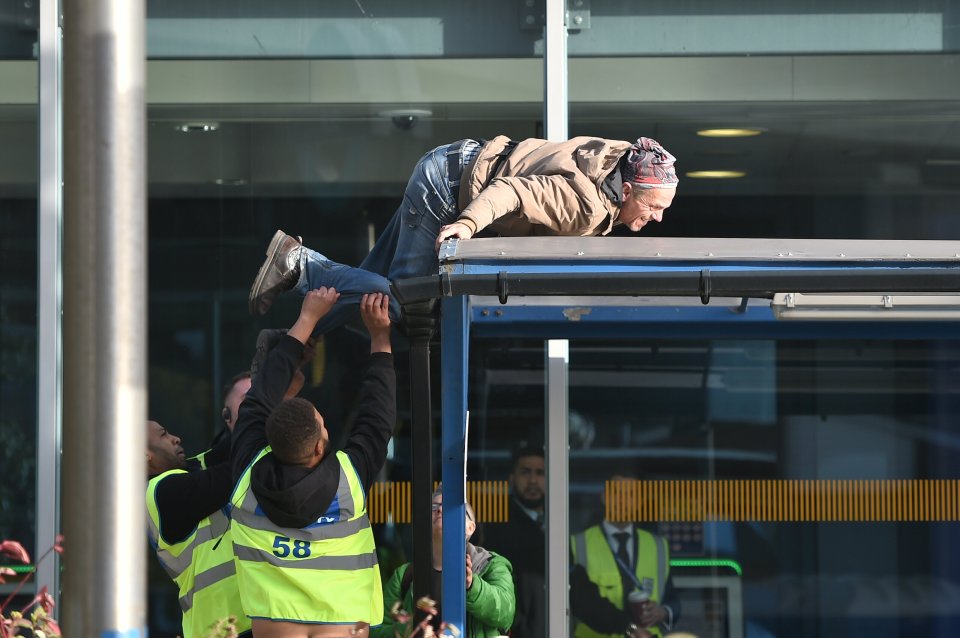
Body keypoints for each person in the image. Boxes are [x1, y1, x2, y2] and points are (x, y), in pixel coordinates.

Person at [247, 135, 679, 334]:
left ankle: (292, 343)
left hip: (451, 168)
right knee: (404, 305)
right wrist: (467, 225)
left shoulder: (621, 159)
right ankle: (296, 262)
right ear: (626, 190)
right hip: (447, 190)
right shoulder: (585, 204)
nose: (658, 218)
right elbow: (513, 190)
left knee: (368, 286)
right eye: (654, 207)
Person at [229, 288, 395, 637]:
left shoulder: (247, 474)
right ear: (320, 448)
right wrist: (377, 332)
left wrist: (310, 321)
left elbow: (377, 418)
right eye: (323, 426)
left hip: (275, 623)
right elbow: (376, 417)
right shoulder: (347, 481)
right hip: (344, 621)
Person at [146, 420, 251, 638]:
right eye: (163, 434)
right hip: (223, 627)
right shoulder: (163, 491)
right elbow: (237, 469)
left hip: (238, 623)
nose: (176, 438)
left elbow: (218, 455)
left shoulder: (185, 477)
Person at [373, 489, 515, 638]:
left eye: (450, 507)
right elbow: (379, 630)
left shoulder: (491, 564)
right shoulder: (405, 575)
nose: (440, 510)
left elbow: (505, 614)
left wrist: (472, 586)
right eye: (433, 508)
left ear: (470, 528)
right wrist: (412, 630)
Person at [570, 473, 680, 638]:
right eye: (617, 493)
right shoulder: (576, 543)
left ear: (640, 501)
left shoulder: (658, 545)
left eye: (630, 494)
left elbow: (672, 597)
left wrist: (663, 612)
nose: (622, 500)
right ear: (604, 497)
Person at [483, 444, 546, 638]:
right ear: (511, 478)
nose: (533, 480)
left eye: (540, 473)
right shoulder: (496, 525)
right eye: (525, 472)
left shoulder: (560, 524)